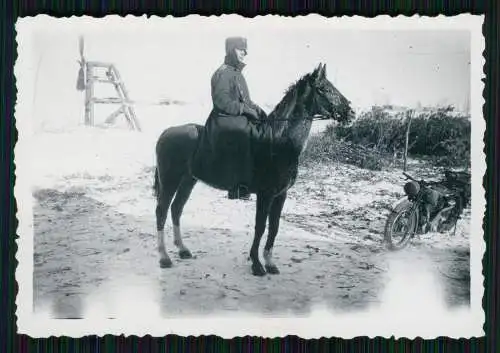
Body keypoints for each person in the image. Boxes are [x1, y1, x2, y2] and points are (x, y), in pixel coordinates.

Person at [207, 36, 267, 200]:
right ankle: (238, 186)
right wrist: (244, 110)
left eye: (245, 50)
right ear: (232, 50)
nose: (244, 53)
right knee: (244, 132)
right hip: (223, 118)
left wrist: (257, 110)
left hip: (234, 116)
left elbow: (245, 100)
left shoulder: (236, 73)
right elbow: (222, 101)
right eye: (241, 49)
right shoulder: (223, 73)